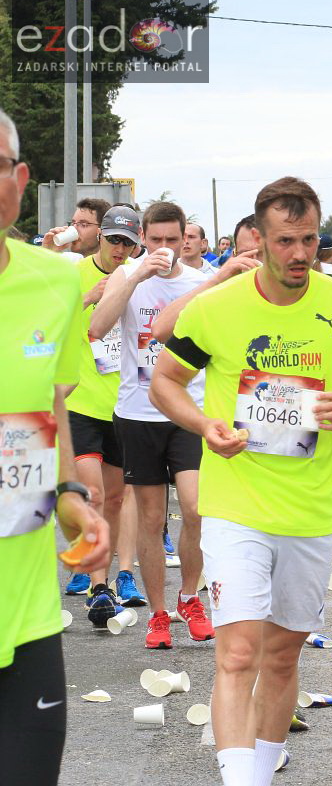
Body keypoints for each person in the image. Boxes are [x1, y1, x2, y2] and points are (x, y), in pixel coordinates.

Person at [151, 176, 332, 786]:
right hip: (235, 502)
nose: (300, 254)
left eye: (309, 239)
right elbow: (166, 381)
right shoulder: (218, 307)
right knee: (236, 652)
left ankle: (263, 760)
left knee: (282, 655)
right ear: (258, 238)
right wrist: (206, 424)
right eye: (286, 240)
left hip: (309, 508)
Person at [0, 110, 111, 783]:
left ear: (19, 179)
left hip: (29, 607)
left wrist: (72, 497)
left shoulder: (55, 281)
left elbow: (53, 405)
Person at [89, 201, 214, 648]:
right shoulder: (126, 276)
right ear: (143, 236)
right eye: (155, 239)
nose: (163, 248)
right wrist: (137, 275)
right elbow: (96, 327)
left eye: (171, 240)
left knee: (197, 509)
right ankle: (158, 614)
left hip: (186, 411)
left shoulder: (203, 282)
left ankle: (189, 597)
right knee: (150, 517)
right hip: (137, 414)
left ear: (186, 239)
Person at [64, 206, 146, 613]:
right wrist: (87, 298)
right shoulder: (73, 274)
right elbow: (44, 323)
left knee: (119, 496)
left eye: (128, 243)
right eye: (114, 240)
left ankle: (124, 572)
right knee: (93, 494)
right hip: (81, 400)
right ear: (100, 237)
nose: (120, 249)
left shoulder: (138, 277)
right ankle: (99, 584)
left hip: (124, 402)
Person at [42, 196, 111, 261]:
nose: (74, 229)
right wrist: (48, 254)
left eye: (83, 224)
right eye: (73, 223)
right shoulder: (67, 262)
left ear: (102, 231)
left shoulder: (116, 268)